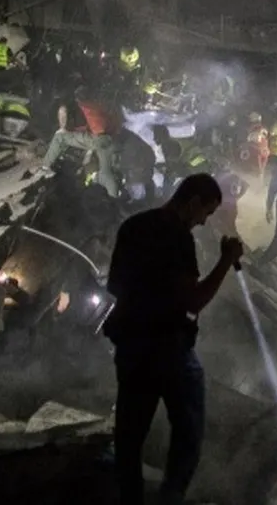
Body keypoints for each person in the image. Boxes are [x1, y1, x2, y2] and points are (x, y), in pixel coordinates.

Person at [103, 174, 244, 505]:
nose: (203, 221)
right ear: (193, 202)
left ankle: (131, 499)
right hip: (167, 348)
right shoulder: (177, 237)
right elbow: (193, 301)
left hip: (131, 345)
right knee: (188, 431)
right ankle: (171, 497)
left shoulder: (133, 226)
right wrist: (225, 261)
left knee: (129, 435)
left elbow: (114, 286)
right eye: (206, 212)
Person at [42, 88, 120, 197]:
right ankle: (113, 197)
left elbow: (96, 132)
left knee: (60, 137)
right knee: (106, 172)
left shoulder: (84, 109)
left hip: (99, 139)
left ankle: (45, 167)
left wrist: (63, 129)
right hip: (110, 140)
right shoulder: (93, 106)